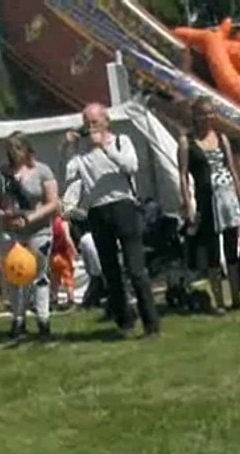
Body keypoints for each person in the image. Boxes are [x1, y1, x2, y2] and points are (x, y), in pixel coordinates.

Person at [62, 103, 161, 339]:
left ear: (106, 121)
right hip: (97, 210)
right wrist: (69, 146)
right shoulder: (81, 152)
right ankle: (124, 320)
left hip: (123, 206)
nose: (90, 127)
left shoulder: (121, 141)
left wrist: (105, 149)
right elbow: (67, 175)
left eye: (95, 122)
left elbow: (131, 166)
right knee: (110, 269)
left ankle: (151, 324)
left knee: (136, 268)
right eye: (86, 123)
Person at [0, 132, 61, 342]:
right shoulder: (1, 173)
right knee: (16, 275)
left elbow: (53, 202)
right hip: (10, 231)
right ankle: (18, 320)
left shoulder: (42, 170)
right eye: (10, 149)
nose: (14, 153)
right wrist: (2, 214)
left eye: (18, 148)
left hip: (38, 229)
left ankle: (43, 319)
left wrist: (30, 218)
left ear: (27, 149)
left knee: (39, 275)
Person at [177, 97, 240, 314]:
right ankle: (218, 301)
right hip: (206, 199)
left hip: (227, 197)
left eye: (211, 113)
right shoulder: (186, 142)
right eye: (204, 113)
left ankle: (236, 296)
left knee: (231, 245)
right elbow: (182, 175)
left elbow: (232, 169)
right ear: (196, 116)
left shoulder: (221, 138)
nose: (208, 117)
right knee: (211, 250)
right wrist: (188, 205)